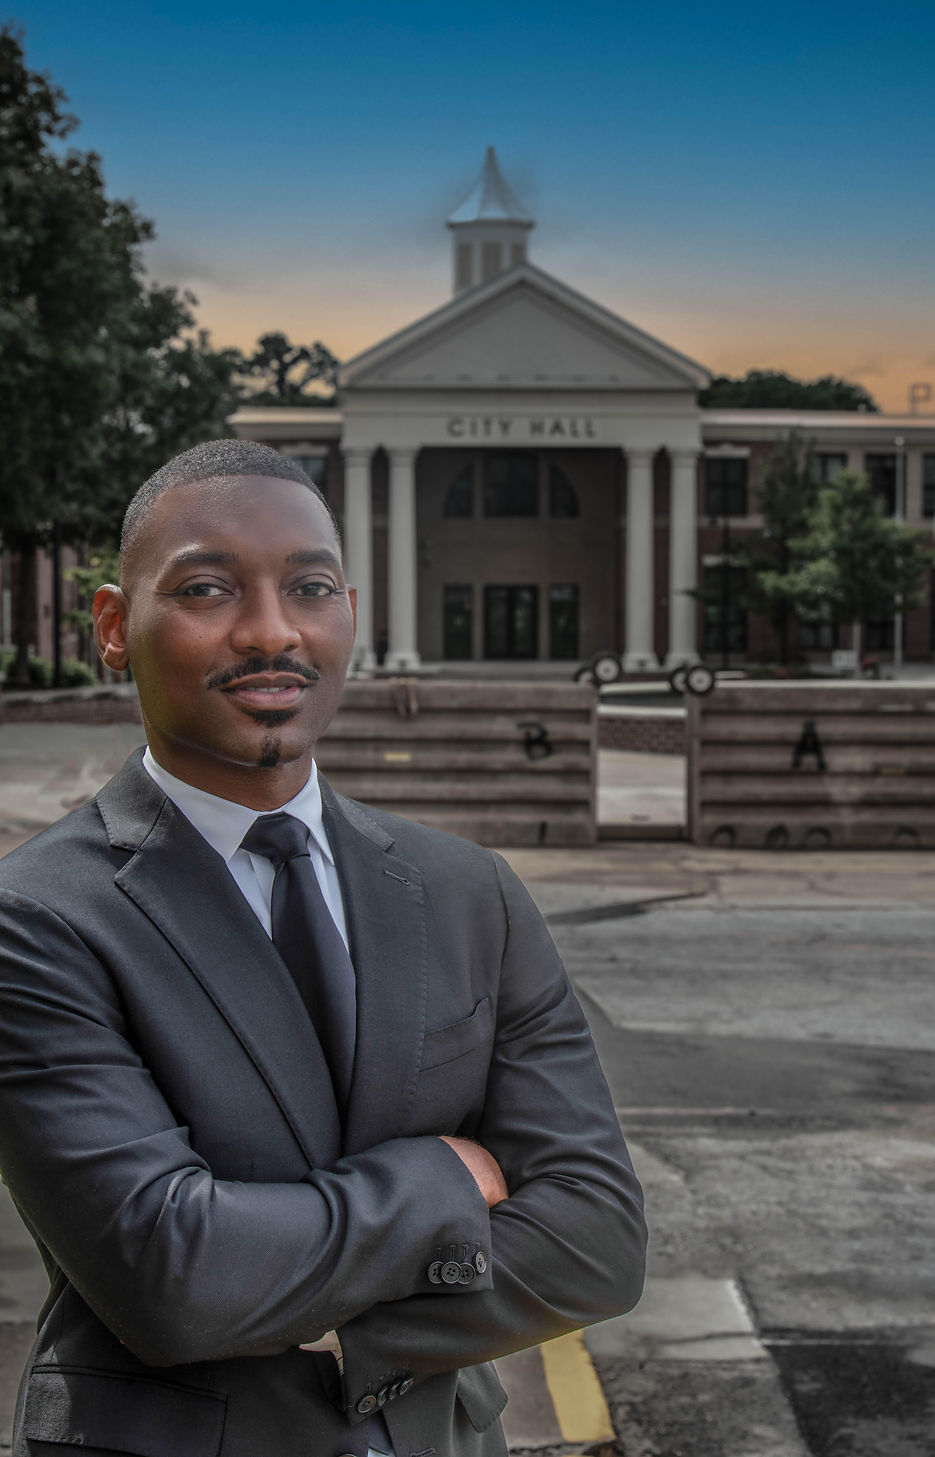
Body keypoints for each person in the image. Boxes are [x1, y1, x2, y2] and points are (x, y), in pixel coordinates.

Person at [0, 439, 646, 1457]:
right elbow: (169, 1275)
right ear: (115, 628)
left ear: (348, 608)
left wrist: (328, 1315)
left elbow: (596, 1239)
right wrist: (443, 1176)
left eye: (308, 586)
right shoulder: (38, 917)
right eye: (208, 587)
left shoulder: (465, 890)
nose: (270, 630)